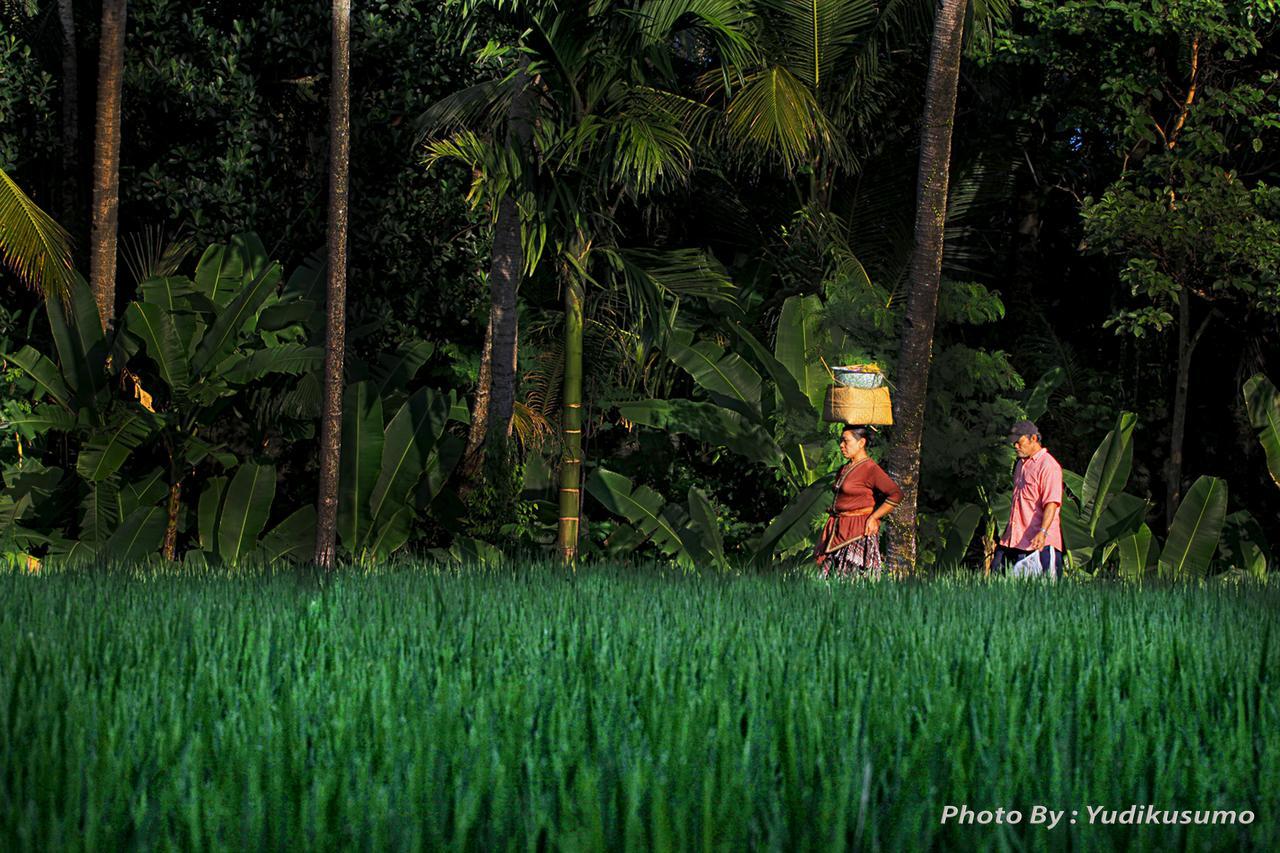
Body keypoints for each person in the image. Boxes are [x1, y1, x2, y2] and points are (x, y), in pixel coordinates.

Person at [814, 425, 903, 578]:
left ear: (861, 443)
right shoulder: (844, 468)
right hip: (839, 529)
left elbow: (896, 494)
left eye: (846, 441)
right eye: (841, 441)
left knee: (851, 583)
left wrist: (874, 517)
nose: (841, 445)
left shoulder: (870, 469)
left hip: (857, 531)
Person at [995, 419, 1065, 579]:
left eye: (1019, 442)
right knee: (995, 582)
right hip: (1013, 540)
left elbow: (1051, 503)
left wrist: (1043, 532)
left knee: (1044, 594)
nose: (1016, 447)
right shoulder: (1020, 465)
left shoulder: (1048, 466)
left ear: (1033, 439)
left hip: (1039, 543)